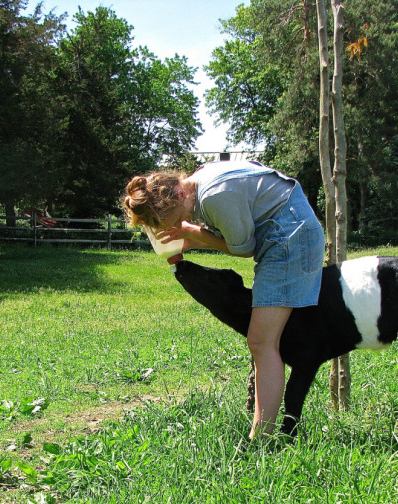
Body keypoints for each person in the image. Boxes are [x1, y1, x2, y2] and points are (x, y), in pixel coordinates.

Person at [122, 161, 324, 439]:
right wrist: (194, 239)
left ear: (178, 196)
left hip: (290, 237)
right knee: (263, 340)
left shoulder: (215, 195)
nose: (166, 227)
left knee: (262, 341)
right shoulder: (200, 182)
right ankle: (263, 432)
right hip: (283, 231)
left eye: (161, 221)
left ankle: (261, 438)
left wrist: (194, 235)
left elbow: (244, 248)